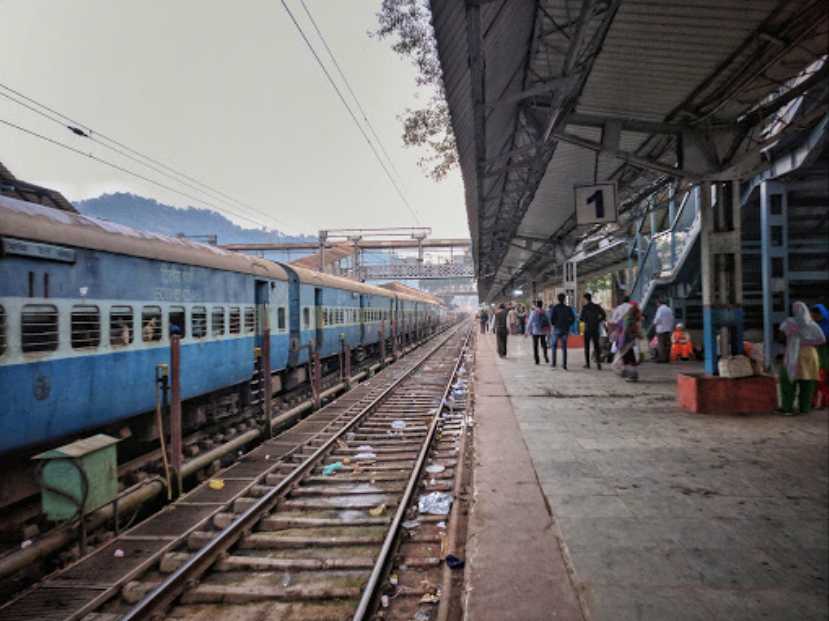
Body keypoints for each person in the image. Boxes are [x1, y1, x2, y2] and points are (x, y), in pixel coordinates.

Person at [778, 301, 826, 415]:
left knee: (788, 380)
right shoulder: (813, 324)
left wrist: (795, 340)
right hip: (810, 354)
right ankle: (804, 408)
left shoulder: (789, 322)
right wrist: (806, 342)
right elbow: (822, 340)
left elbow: (780, 337)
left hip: (793, 353)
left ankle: (787, 408)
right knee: (808, 381)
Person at [611, 300, 642, 382]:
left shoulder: (628, 317)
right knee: (629, 358)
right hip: (627, 341)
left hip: (625, 341)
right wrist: (636, 335)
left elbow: (623, 328)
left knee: (627, 358)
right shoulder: (631, 318)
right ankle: (631, 375)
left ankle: (630, 375)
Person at [548, 293, 576, 370]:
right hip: (565, 329)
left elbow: (552, 319)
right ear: (564, 299)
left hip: (557, 329)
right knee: (564, 347)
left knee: (554, 346)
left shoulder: (555, 308)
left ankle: (554, 363)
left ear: (558, 299)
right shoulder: (568, 308)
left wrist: (555, 324)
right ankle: (564, 365)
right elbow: (573, 318)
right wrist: (568, 324)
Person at [580, 293, 606, 370]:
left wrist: (586, 320)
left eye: (583, 299)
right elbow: (604, 315)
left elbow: (581, 319)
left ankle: (587, 364)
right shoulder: (597, 306)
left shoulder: (585, 307)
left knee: (587, 346)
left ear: (585, 299)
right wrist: (598, 321)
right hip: (595, 328)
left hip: (587, 329)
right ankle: (598, 364)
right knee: (596, 346)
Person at [811, 304, 829, 408]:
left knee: (824, 380)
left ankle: (824, 402)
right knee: (814, 379)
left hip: (824, 354)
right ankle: (813, 402)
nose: (815, 318)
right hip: (816, 354)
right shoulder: (813, 323)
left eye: (816, 316)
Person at [526, 300, 551, 365]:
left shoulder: (534, 312)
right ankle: (546, 357)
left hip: (535, 331)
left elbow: (530, 322)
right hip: (543, 331)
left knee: (535, 346)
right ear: (542, 305)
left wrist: (527, 331)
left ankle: (537, 360)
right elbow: (548, 321)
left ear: (536, 305)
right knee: (544, 344)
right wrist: (549, 330)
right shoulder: (545, 311)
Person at [651, 297, 674, 363]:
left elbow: (657, 319)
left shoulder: (660, 309)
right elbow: (672, 319)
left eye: (657, 303)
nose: (656, 305)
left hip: (661, 330)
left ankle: (662, 359)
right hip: (668, 329)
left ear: (659, 303)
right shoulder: (669, 309)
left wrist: (654, 323)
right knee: (667, 345)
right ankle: (667, 358)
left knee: (661, 345)